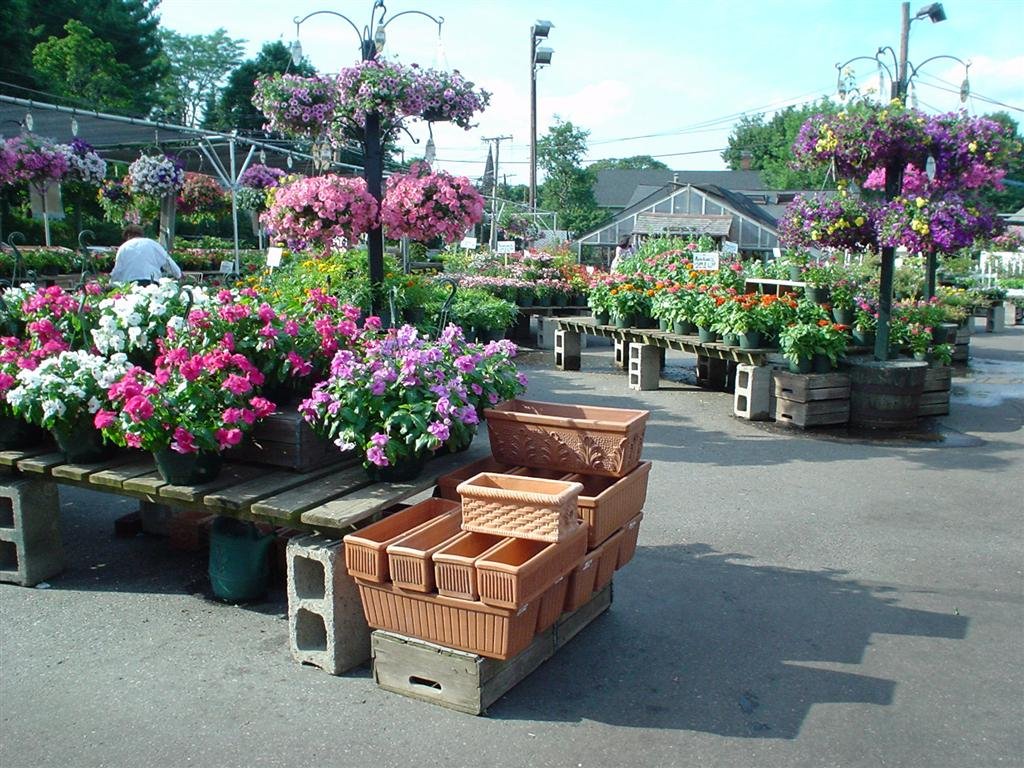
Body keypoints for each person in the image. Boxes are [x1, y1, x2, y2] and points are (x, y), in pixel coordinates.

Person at [109, 224, 182, 285]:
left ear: (128, 235)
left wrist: (111, 282)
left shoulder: (123, 247)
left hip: (130, 283)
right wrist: (178, 275)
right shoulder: (153, 244)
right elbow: (167, 262)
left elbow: (118, 270)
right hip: (151, 282)